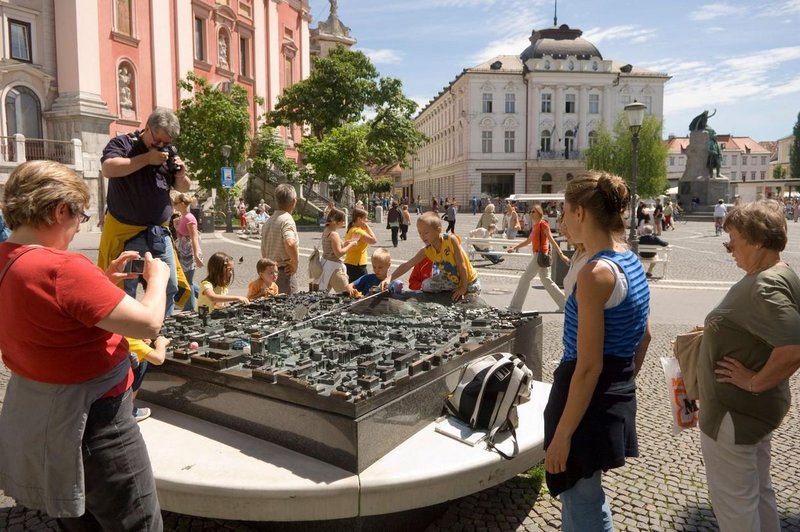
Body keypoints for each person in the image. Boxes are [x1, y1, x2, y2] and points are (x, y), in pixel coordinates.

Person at [0, 160, 170, 529]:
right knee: (138, 523)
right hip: (98, 424)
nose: (80, 227)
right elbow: (149, 323)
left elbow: (50, 313)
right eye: (80, 216)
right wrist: (159, 279)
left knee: (78, 522)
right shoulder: (61, 268)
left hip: (44, 418)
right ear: (61, 210)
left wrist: (100, 283)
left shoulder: (10, 258)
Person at [543, 171, 651, 531]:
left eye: (563, 212)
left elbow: (588, 367)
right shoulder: (629, 260)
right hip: (613, 394)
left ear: (580, 213)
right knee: (587, 499)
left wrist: (562, 435)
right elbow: (645, 336)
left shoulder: (596, 273)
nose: (561, 222)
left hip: (583, 399)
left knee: (583, 503)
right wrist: (618, 384)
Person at [698, 200, 800, 531]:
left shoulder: (764, 285)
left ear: (756, 241)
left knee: (736, 509)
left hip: (733, 415)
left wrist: (754, 381)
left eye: (733, 241)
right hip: (751, 413)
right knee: (758, 493)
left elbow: (793, 346)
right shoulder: (779, 273)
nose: (730, 249)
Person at [98, 107, 191, 317]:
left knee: (169, 285)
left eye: (166, 143)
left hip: (159, 235)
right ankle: (128, 338)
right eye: (157, 141)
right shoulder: (124, 143)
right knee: (125, 288)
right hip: (129, 236)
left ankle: (160, 330)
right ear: (147, 128)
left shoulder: (168, 152)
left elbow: (184, 187)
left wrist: (181, 174)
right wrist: (147, 159)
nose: (161, 147)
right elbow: (108, 168)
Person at [380, 212, 480, 301]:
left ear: (438, 230)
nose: (422, 236)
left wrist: (463, 288)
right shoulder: (427, 250)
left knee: (468, 294)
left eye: (426, 232)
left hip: (469, 280)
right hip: (452, 280)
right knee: (426, 285)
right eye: (420, 232)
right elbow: (407, 265)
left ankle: (467, 289)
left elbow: (461, 264)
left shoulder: (450, 240)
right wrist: (389, 278)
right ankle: (448, 293)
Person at [507, 205, 568, 312]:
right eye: (530, 211)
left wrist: (561, 253)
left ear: (539, 213)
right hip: (539, 256)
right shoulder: (535, 226)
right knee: (547, 281)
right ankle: (564, 305)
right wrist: (514, 247)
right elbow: (527, 241)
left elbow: (552, 240)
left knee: (525, 279)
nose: (531, 213)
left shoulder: (543, 224)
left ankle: (515, 307)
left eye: (533, 211)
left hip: (541, 255)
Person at [260, 183, 300, 294]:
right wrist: (295, 263)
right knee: (291, 309)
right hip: (284, 273)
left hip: (269, 273)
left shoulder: (269, 221)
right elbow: (290, 242)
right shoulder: (287, 219)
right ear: (293, 202)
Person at [126, 335, 169, 422]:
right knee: (142, 361)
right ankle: (128, 411)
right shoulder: (131, 340)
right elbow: (158, 359)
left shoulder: (117, 333)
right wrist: (161, 344)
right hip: (123, 380)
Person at [173, 192, 203, 311]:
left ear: (181, 204)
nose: (174, 205)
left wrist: (196, 256)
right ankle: (209, 297)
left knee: (187, 282)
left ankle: (189, 309)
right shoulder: (184, 217)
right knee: (187, 280)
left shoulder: (189, 218)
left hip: (189, 254)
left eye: (175, 203)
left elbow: (194, 237)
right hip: (183, 253)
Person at [319, 208, 359, 293]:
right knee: (347, 294)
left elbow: (333, 247)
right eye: (342, 220)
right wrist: (351, 245)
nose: (344, 223)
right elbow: (339, 253)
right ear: (336, 221)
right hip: (334, 268)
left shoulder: (327, 230)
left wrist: (347, 243)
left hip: (326, 265)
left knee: (323, 295)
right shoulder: (334, 234)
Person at [343, 207, 378, 282]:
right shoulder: (358, 231)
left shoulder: (352, 229)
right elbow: (373, 240)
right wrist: (367, 227)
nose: (367, 220)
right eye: (365, 218)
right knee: (362, 288)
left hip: (351, 262)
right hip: (357, 264)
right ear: (359, 219)